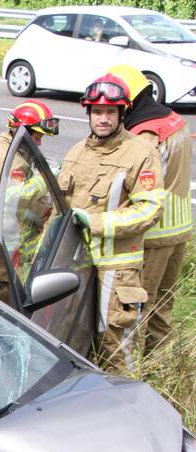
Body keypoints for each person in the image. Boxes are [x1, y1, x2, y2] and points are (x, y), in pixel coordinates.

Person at [57, 73, 163, 373]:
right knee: (74, 342)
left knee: (114, 346)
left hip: (116, 271)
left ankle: (129, 403)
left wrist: (97, 222)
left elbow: (149, 210)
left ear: (122, 114)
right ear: (88, 113)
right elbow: (60, 210)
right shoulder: (76, 153)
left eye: (110, 112)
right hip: (77, 265)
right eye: (98, 112)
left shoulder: (140, 153)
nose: (103, 119)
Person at [108, 63, 193, 353]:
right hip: (180, 227)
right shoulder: (174, 120)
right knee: (162, 308)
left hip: (153, 233)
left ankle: (134, 372)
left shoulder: (145, 134)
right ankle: (160, 366)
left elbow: (134, 184)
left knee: (137, 304)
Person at [0, 100, 58, 302]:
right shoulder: (13, 159)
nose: (39, 143)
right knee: (7, 304)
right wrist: (44, 180)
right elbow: (16, 198)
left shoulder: (2, 150)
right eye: (36, 136)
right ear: (20, 130)